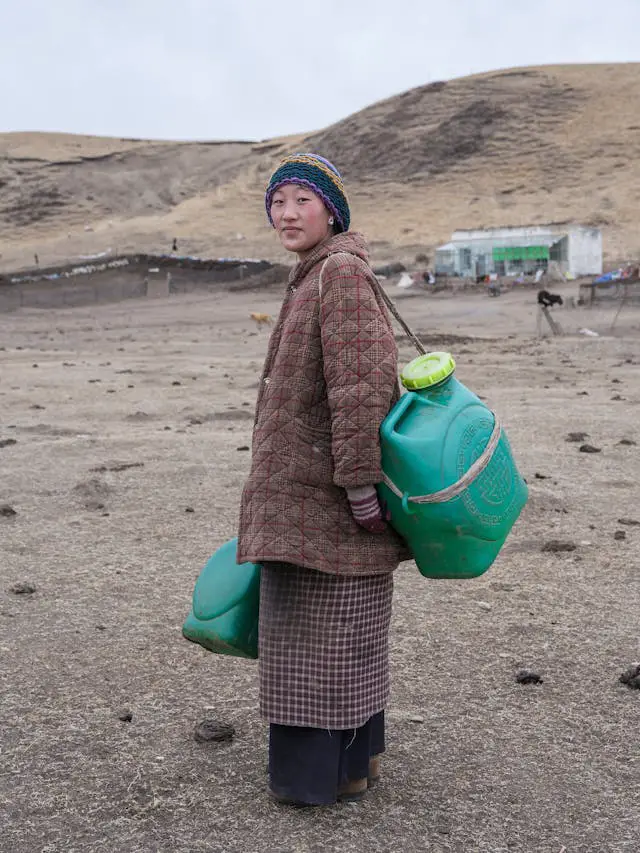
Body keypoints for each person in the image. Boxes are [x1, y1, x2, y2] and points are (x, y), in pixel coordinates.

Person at [237, 153, 409, 806]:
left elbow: (361, 389)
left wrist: (361, 487)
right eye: (277, 200)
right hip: (311, 499)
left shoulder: (337, 272)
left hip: (329, 499)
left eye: (300, 199)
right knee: (339, 637)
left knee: (323, 641)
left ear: (331, 210)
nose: (285, 212)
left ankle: (320, 778)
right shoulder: (314, 273)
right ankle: (352, 766)